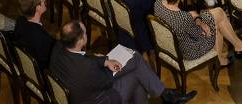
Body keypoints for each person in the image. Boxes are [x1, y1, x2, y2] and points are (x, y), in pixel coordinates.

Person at [49, 20, 197, 104]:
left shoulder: (58, 46)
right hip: (101, 99)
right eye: (85, 33)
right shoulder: (87, 68)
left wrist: (104, 61)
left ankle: (165, 94)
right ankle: (165, 94)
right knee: (136, 69)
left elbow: (83, 58)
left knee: (136, 64)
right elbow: (106, 81)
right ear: (81, 41)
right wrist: (107, 63)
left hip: (81, 93)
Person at [153, 0, 242, 67]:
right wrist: (202, 24)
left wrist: (197, 19)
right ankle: (232, 50)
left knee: (217, 14)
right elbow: (199, 35)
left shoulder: (158, 2)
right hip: (189, 51)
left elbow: (185, 19)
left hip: (172, 45)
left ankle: (229, 52)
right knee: (217, 21)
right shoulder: (183, 18)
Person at [10, 0, 56, 68]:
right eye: (43, 1)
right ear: (37, 8)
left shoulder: (20, 20)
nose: (45, 2)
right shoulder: (42, 38)